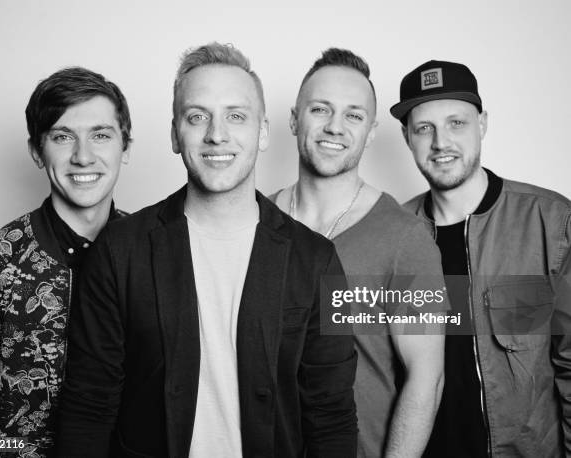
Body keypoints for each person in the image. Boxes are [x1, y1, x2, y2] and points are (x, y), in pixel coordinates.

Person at [57, 42, 357, 458]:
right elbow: (89, 406)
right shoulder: (120, 249)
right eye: (198, 117)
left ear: (263, 131)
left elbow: (332, 417)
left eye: (236, 116)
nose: (217, 134)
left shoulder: (318, 259)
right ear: (175, 135)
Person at [271, 48, 446, 458]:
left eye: (353, 115)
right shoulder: (253, 222)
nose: (335, 127)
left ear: (370, 131)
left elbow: (427, 377)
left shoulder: (407, 238)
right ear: (295, 118)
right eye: (320, 109)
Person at [393, 59, 571, 457]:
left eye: (456, 123)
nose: (441, 142)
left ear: (483, 124)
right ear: (407, 137)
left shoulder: (552, 222)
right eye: (424, 128)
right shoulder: (390, 234)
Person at [0, 67, 132, 457]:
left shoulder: (152, 254)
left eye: (101, 135)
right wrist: (2, 450)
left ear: (126, 146)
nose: (83, 156)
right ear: (37, 151)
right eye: (62, 136)